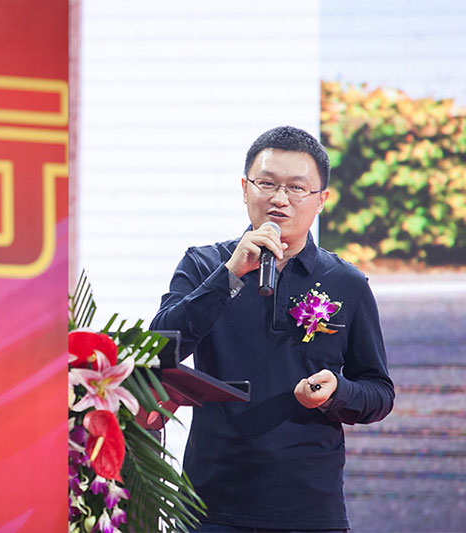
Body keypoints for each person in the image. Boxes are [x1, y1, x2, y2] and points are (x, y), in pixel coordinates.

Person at [151, 126, 394, 532]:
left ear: (321, 200)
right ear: (245, 189)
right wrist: (229, 276)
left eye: (296, 188)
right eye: (266, 183)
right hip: (211, 504)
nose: (280, 198)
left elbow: (379, 393)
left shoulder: (346, 282)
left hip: (309, 508)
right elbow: (158, 349)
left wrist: (337, 392)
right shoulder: (203, 264)